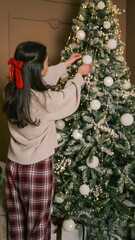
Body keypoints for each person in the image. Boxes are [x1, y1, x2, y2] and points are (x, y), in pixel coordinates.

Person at [3, 41, 91, 240]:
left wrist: (66, 64)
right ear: (36, 69)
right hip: (37, 167)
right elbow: (67, 97)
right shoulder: (45, 102)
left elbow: (40, 77)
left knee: (16, 221)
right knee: (38, 224)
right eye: (45, 62)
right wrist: (79, 75)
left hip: (13, 165)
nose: (48, 64)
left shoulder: (11, 89)